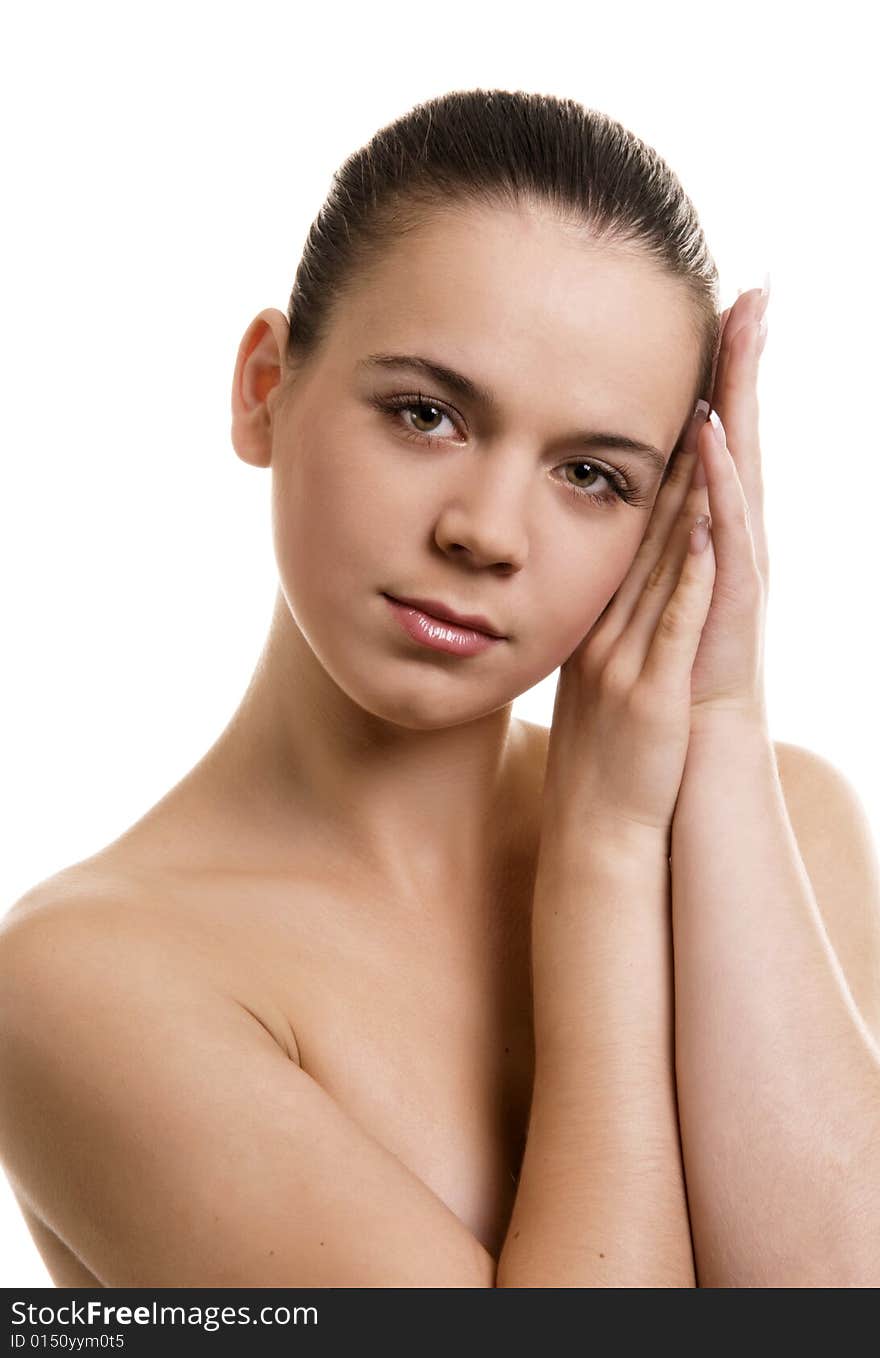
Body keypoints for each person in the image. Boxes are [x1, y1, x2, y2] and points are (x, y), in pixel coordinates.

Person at [1, 88, 878, 1290]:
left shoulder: (786, 825)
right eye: (426, 413)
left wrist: (711, 728)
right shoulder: (83, 982)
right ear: (265, 384)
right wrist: (604, 859)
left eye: (590, 473)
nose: (485, 532)